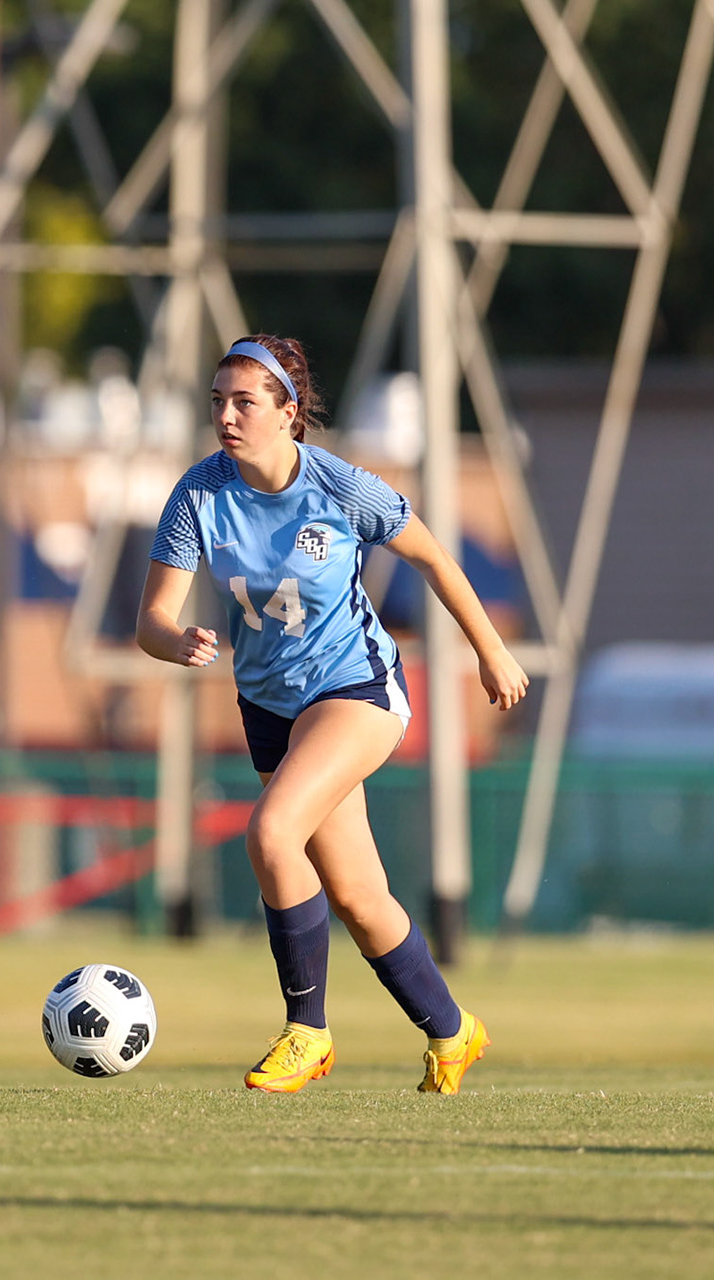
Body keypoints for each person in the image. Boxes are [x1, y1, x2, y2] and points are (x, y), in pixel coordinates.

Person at [137, 335, 529, 1094]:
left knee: (272, 833)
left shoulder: (339, 486)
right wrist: (174, 640)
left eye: (244, 402)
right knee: (357, 897)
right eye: (217, 401)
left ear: (289, 412)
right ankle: (454, 1031)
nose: (226, 416)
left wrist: (491, 651)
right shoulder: (199, 493)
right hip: (267, 707)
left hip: (356, 691)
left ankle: (307, 1031)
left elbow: (434, 557)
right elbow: (150, 619)